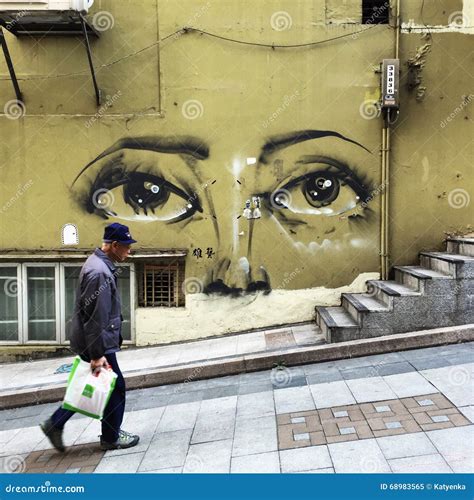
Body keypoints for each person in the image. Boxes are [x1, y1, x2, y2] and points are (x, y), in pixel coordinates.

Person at [40, 223, 140, 452]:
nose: (129, 251)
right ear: (114, 245)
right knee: (116, 387)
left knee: (94, 384)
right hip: (96, 343)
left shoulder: (99, 265)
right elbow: (95, 319)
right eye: (126, 246)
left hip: (94, 341)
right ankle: (110, 438)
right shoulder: (99, 273)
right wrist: (97, 355)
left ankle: (55, 424)